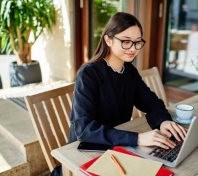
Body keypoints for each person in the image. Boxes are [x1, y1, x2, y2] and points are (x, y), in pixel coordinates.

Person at [68, 12, 187, 151]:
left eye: (137, 42)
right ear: (108, 40)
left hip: (118, 145)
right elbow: (84, 129)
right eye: (126, 41)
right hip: (86, 150)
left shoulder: (129, 71)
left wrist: (163, 121)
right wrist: (138, 138)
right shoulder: (89, 74)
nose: (133, 48)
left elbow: (151, 103)